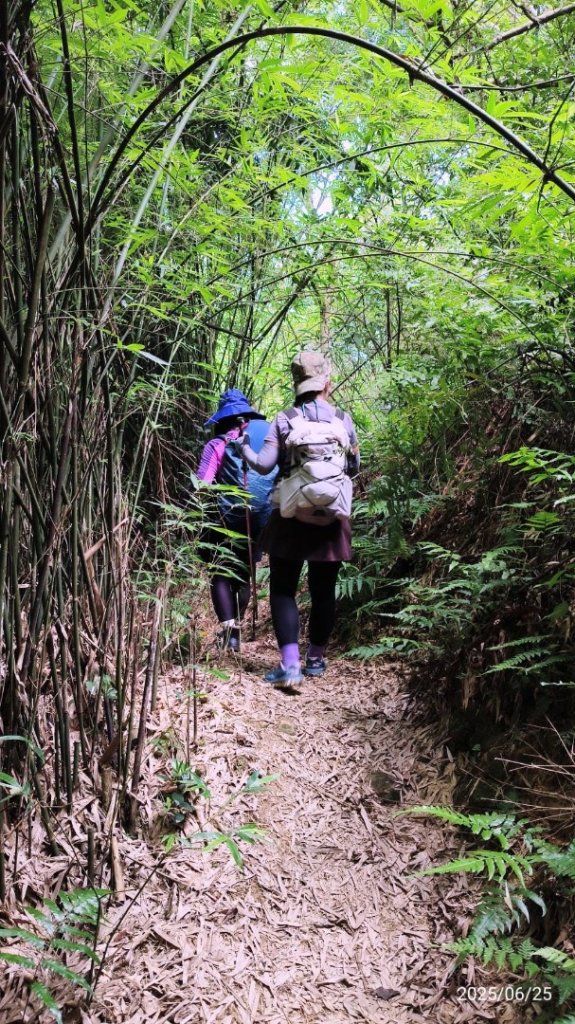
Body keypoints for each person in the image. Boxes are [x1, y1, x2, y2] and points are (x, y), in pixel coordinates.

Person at [235, 351, 359, 686]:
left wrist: (244, 448)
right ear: (326, 383)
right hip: (332, 517)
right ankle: (316, 660)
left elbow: (263, 465)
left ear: (297, 383)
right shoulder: (343, 420)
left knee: (283, 589)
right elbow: (354, 467)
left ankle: (290, 666)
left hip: (290, 515)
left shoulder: (285, 418)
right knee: (324, 590)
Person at [196, 389, 277, 651]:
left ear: (221, 419)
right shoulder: (267, 441)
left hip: (227, 516)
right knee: (243, 572)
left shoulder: (216, 444)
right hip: (261, 518)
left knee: (220, 572)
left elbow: (201, 485)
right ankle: (236, 627)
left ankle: (230, 634)